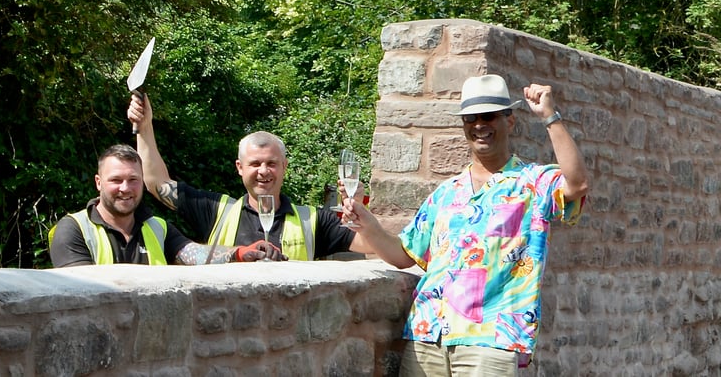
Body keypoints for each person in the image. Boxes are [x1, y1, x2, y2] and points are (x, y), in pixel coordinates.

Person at [341, 74, 589, 376]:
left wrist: (550, 117)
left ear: (509, 122)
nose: (479, 125)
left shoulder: (533, 183)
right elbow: (403, 255)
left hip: (492, 339)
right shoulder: (447, 192)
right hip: (428, 333)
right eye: (471, 118)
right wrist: (367, 224)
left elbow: (577, 184)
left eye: (489, 116)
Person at [127, 93, 373, 261]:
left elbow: (370, 245)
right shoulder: (215, 210)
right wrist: (145, 126)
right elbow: (156, 183)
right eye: (255, 164)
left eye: (272, 164)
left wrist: (358, 210)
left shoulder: (313, 220)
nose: (263, 171)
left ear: (284, 167)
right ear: (239, 167)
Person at [49, 144, 285, 267]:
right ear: (98, 183)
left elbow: (194, 254)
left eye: (133, 180)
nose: (125, 188)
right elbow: (81, 295)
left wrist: (240, 253)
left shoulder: (157, 228)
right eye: (116, 180)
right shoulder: (73, 229)